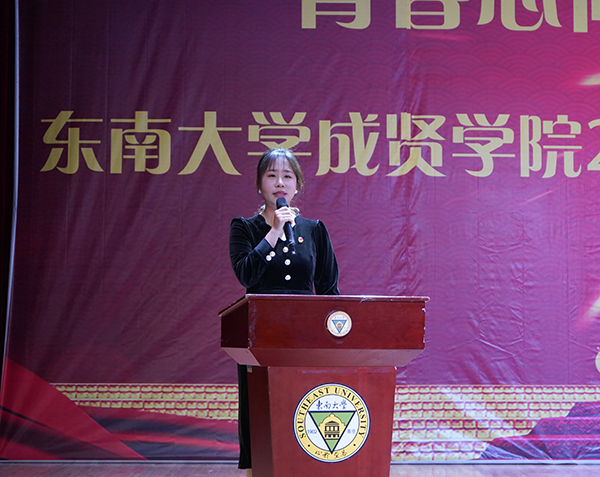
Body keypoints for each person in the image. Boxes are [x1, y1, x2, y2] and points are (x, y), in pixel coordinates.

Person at [229, 148, 340, 473]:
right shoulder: (244, 227)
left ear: (298, 185)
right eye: (272, 175)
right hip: (260, 337)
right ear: (259, 184)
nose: (280, 182)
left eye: (287, 176)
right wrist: (275, 232)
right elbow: (246, 275)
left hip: (305, 339)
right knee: (260, 411)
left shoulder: (314, 229)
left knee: (303, 408)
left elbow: (329, 290)